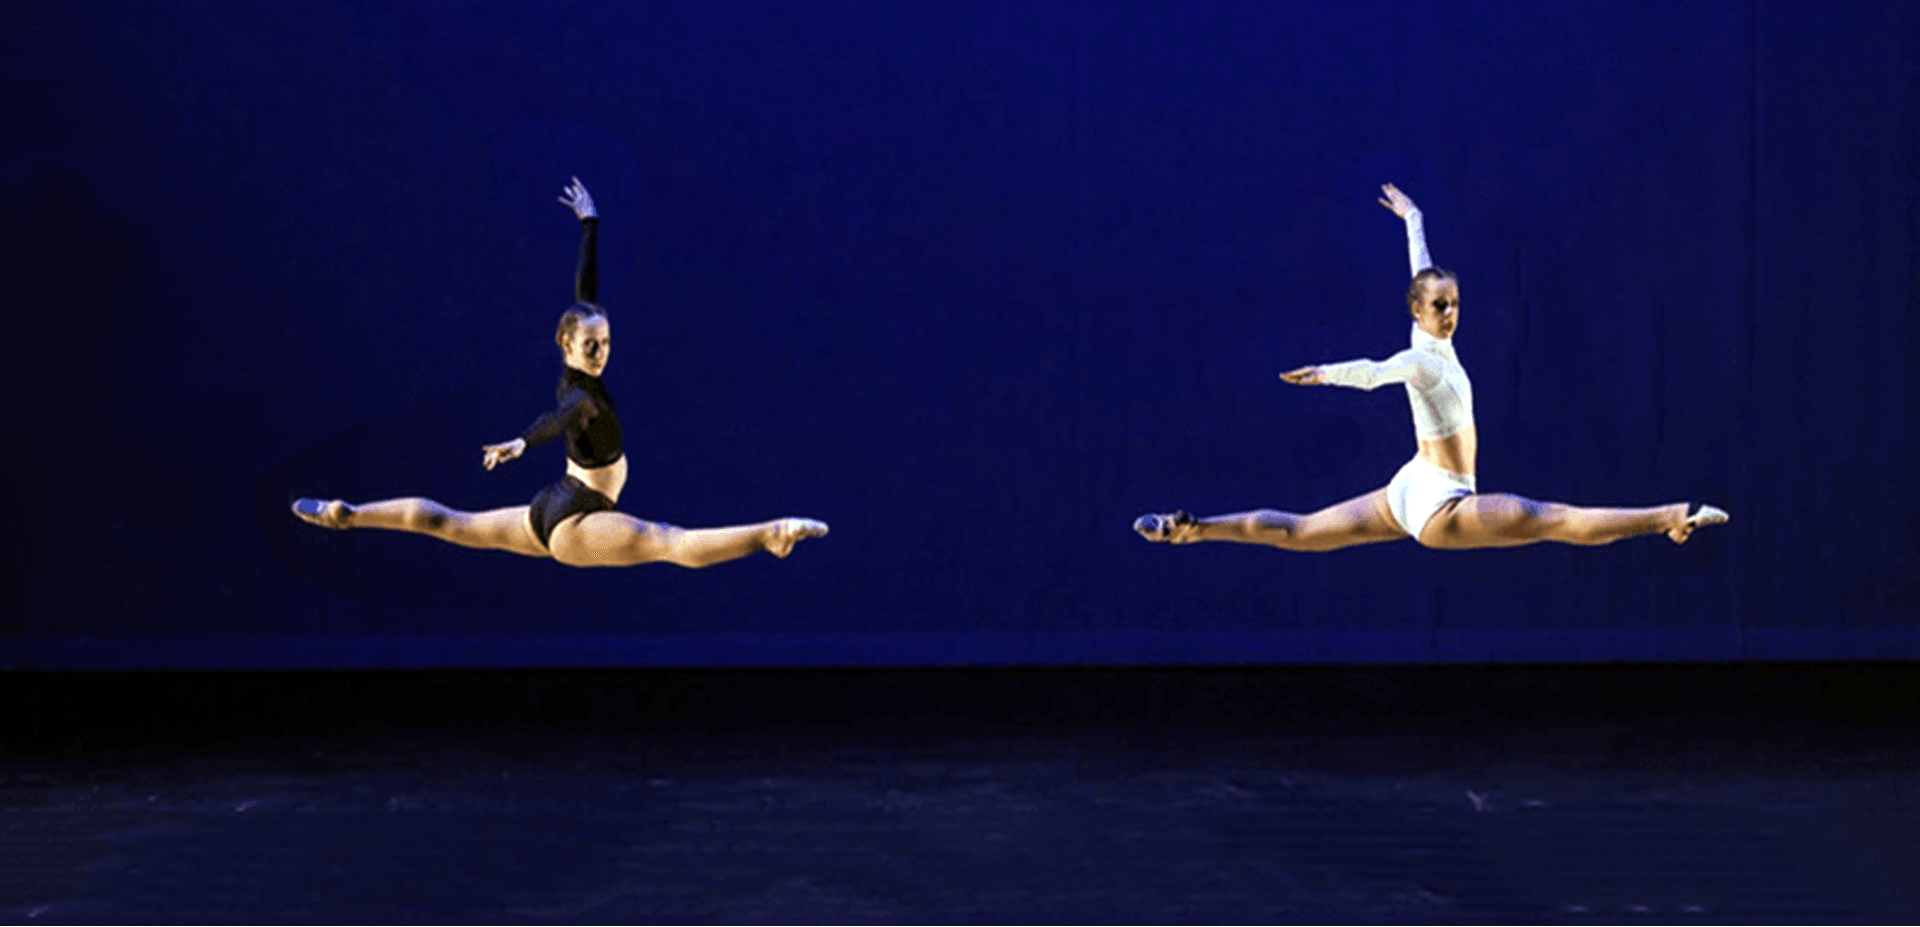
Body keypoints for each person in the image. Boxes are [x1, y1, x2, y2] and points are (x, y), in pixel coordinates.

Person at [1135, 183, 1728, 552]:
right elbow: (1377, 371)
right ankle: (1672, 517)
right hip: (1441, 506)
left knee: (1303, 532)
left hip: (1411, 483)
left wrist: (1414, 219)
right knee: (1548, 519)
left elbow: (1420, 273)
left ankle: (1192, 527)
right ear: (1419, 311)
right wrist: (1326, 373)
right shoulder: (1422, 358)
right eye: (1440, 307)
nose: (1450, 314)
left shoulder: (1427, 331)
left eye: (1456, 305)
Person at [292, 178, 828, 567]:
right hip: (577, 519)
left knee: (445, 523)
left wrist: (590, 225)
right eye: (591, 345)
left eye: (606, 343)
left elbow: (585, 294)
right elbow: (561, 418)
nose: (601, 351)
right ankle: (770, 535)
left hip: (553, 503)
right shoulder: (581, 398)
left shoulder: (578, 365)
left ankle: (347, 512)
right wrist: (523, 443)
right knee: (669, 542)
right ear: (567, 346)